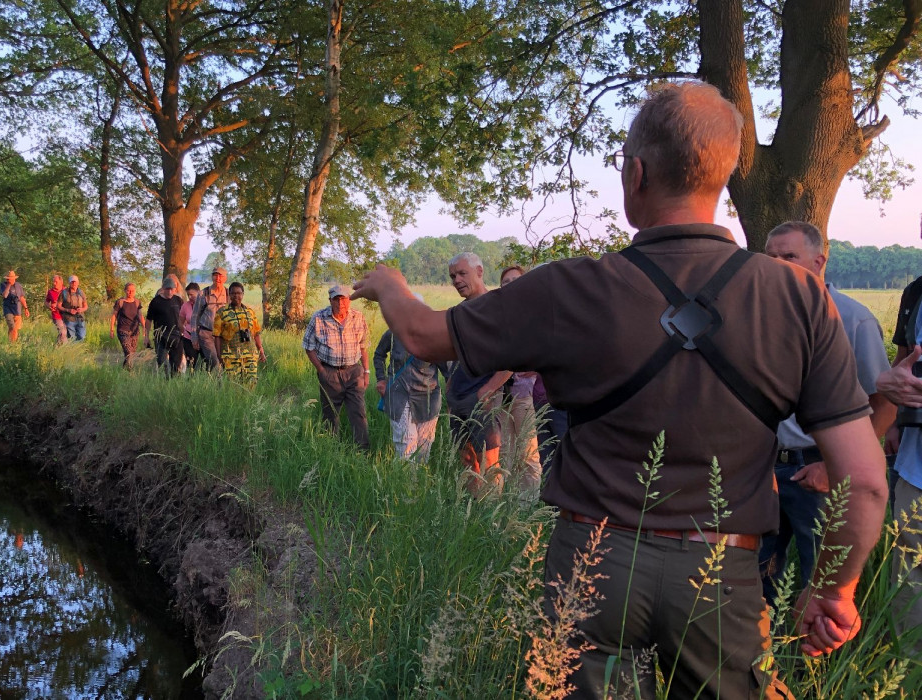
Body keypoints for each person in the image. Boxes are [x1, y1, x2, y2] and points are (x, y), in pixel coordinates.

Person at [353, 81, 887, 698]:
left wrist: (391, 282)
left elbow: (422, 335)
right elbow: (866, 481)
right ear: (726, 172)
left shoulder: (571, 288)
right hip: (723, 571)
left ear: (635, 174)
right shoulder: (799, 299)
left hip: (593, 565)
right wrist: (832, 591)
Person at [757, 221, 895, 605]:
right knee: (757, 577)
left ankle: (816, 663)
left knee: (822, 580)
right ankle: (762, 657)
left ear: (818, 261)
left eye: (789, 257)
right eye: (771, 257)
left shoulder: (853, 319)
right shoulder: (754, 318)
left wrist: (834, 468)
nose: (778, 265)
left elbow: (883, 401)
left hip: (818, 471)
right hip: (762, 470)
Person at [875, 243, 922, 652]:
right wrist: (891, 399)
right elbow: (902, 364)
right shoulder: (917, 292)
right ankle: (908, 675)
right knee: (909, 579)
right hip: (914, 465)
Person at [444, 252, 512, 491]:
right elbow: (454, 354)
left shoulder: (497, 306)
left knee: (490, 461)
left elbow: (513, 357)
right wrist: (450, 387)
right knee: (466, 458)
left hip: (483, 398)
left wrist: (488, 389)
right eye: (453, 276)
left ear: (480, 271)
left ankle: (492, 517)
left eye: (462, 273)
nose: (457, 280)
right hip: (458, 396)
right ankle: (472, 509)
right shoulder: (458, 312)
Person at [372, 298, 444, 464]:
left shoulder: (433, 336)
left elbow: (447, 367)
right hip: (399, 393)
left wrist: (454, 391)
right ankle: (406, 486)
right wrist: (381, 380)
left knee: (424, 445)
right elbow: (379, 355)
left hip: (428, 396)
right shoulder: (393, 333)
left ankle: (419, 485)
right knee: (406, 444)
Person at [303, 285, 371, 450]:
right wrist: (321, 370)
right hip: (330, 373)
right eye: (337, 299)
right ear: (330, 301)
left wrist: (366, 371)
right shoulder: (319, 318)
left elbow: (363, 346)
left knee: (359, 413)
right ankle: (331, 449)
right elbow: (308, 346)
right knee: (330, 414)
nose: (341, 303)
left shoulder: (358, 317)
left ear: (349, 300)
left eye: (344, 299)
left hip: (354, 372)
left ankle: (362, 452)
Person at [498, 265, 542, 490]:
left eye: (516, 279)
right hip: (500, 396)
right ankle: (506, 502)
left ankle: (528, 506)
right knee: (504, 451)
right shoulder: (498, 314)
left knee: (527, 452)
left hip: (524, 395)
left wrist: (538, 367)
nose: (511, 284)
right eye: (506, 281)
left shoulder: (534, 314)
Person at [213, 282, 265, 381]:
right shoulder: (222, 312)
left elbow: (256, 333)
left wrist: (261, 351)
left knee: (251, 383)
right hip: (231, 356)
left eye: (239, 293)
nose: (236, 296)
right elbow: (217, 336)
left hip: (250, 354)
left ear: (243, 294)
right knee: (234, 385)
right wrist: (219, 357)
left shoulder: (250, 312)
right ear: (229, 295)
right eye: (233, 293)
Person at [191, 266, 229, 370]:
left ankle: (217, 383)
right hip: (207, 334)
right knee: (214, 362)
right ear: (212, 277)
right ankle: (218, 385)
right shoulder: (203, 293)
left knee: (224, 362)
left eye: (220, 276)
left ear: (225, 278)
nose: (218, 278)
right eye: (215, 275)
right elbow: (194, 316)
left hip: (223, 335)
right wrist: (194, 336)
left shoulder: (229, 294)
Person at [147, 275, 184, 374]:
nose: (170, 292)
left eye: (172, 289)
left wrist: (184, 331)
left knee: (176, 364)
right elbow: (149, 319)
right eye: (167, 289)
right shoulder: (155, 302)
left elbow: (184, 316)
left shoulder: (178, 300)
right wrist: (146, 335)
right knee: (161, 362)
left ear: (175, 289)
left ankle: (174, 381)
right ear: (163, 289)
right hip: (161, 336)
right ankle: (165, 379)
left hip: (176, 336)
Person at [109, 283, 145, 370]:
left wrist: (144, 327)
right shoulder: (120, 302)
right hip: (123, 330)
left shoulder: (137, 302)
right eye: (128, 290)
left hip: (135, 331)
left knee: (131, 352)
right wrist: (111, 329)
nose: (130, 292)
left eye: (132, 291)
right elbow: (114, 315)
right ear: (125, 291)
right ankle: (130, 371)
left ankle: (125, 370)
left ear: (135, 291)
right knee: (129, 352)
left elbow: (140, 315)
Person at [0, 270, 29, 342]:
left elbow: (22, 298)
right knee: (12, 326)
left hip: (17, 309)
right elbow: (4, 295)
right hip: (8, 309)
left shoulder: (18, 285)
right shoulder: (3, 285)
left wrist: (26, 308)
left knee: (15, 328)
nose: (11, 280)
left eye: (12, 278)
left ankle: (11, 342)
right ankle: (13, 343)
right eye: (9, 278)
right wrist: (8, 285)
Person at [59, 275, 88, 342]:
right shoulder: (64, 293)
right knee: (72, 338)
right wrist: (68, 310)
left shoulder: (81, 292)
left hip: (80, 318)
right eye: (72, 282)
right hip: (69, 319)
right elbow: (59, 306)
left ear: (78, 282)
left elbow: (86, 306)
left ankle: (78, 350)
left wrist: (82, 309)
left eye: (75, 282)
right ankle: (74, 351)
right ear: (69, 283)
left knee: (82, 336)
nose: (74, 284)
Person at [180, 282, 202, 370]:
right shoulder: (185, 306)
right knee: (191, 363)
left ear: (199, 293)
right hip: (188, 338)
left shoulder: (206, 304)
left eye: (192, 295)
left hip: (203, 338)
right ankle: (191, 379)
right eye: (188, 295)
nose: (189, 297)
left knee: (206, 362)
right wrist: (183, 331)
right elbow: (180, 321)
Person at [44, 275, 67, 345]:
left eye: (56, 282)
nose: (54, 283)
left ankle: (57, 347)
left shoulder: (66, 290)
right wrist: (49, 306)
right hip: (56, 315)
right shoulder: (50, 292)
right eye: (53, 282)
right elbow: (46, 301)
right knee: (62, 332)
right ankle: (66, 348)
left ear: (61, 282)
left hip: (66, 314)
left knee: (66, 333)